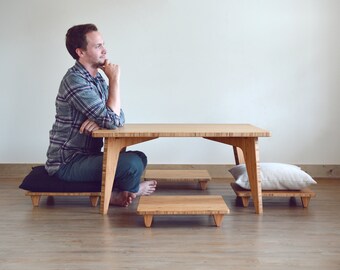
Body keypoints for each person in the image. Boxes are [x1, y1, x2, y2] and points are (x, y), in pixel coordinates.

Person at [45, 23, 156, 207]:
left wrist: (99, 121)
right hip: (68, 162)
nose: (105, 50)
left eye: (103, 44)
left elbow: (119, 117)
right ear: (80, 52)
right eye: (98, 46)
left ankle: (121, 190)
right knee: (130, 165)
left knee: (140, 157)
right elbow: (112, 120)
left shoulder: (96, 79)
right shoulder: (75, 80)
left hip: (89, 156)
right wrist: (114, 79)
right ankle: (129, 191)